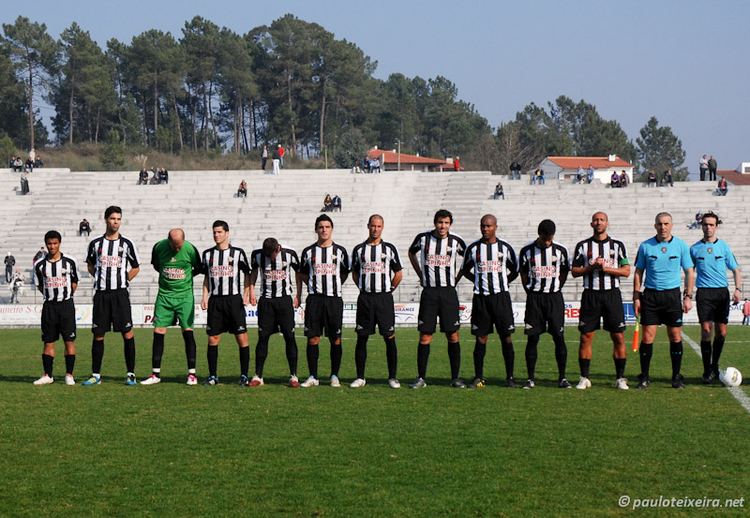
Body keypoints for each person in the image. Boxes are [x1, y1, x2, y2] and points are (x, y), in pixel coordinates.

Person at [633, 212, 695, 389]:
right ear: (655, 226)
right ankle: (644, 376)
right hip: (651, 296)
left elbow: (690, 272)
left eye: (666, 223)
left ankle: (676, 376)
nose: (663, 227)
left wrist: (688, 296)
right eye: (660, 224)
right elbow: (638, 272)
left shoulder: (681, 246)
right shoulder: (646, 246)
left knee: (675, 335)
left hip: (672, 296)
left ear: (672, 225)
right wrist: (636, 296)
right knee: (647, 337)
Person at [82, 206, 141, 386]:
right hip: (101, 295)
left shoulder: (127, 244)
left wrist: (124, 280)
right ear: (106, 219)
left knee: (127, 334)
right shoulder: (95, 244)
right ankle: (96, 375)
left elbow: (136, 267)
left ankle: (130, 374)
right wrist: (100, 278)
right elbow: (90, 265)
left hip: (120, 295)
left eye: (118, 219)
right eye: (113, 218)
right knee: (98, 335)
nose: (116, 222)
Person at [571, 212, 631, 390]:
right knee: (585, 337)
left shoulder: (618, 246)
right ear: (591, 224)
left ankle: (620, 378)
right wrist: (591, 267)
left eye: (602, 220)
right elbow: (574, 271)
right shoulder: (583, 246)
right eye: (596, 220)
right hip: (591, 295)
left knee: (618, 336)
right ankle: (584, 377)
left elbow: (626, 271)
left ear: (607, 223)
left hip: (612, 294)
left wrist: (607, 268)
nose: (599, 222)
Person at [408, 209, 467, 388]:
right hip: (430, 293)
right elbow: (411, 253)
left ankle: (455, 378)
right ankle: (421, 378)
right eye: (440, 222)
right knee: (425, 335)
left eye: (446, 223)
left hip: (448, 293)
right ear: (435, 223)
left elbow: (468, 259)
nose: (443, 226)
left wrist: (456, 279)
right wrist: (421, 274)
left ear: (450, 224)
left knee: (453, 335)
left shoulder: (456, 241)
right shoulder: (423, 238)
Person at [462, 214, 519, 388]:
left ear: (495, 227)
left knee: (506, 338)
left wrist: (502, 282)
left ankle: (510, 377)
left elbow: (514, 270)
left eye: (488, 226)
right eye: (483, 226)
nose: (485, 229)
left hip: (501, 298)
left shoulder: (505, 248)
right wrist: (479, 281)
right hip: (481, 299)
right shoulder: (473, 249)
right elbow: (465, 270)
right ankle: (479, 377)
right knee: (481, 339)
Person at [141, 229, 202, 385]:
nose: (177, 249)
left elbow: (198, 268)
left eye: (179, 246)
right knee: (158, 331)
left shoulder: (190, 249)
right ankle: (155, 375)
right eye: (174, 246)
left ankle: (192, 375)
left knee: (187, 331)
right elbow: (157, 265)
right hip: (164, 295)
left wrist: (184, 276)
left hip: (185, 296)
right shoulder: (158, 248)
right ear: (168, 241)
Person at [349, 215, 403, 388]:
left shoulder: (390, 249)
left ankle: (392, 377)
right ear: (368, 226)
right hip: (365, 299)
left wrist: (389, 289)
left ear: (382, 227)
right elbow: (355, 273)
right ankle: (360, 377)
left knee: (389, 338)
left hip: (384, 298)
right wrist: (363, 288)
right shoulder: (359, 249)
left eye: (378, 226)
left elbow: (398, 274)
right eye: (373, 226)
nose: (375, 229)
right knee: (362, 337)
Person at [297, 215, 350, 387]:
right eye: (321, 227)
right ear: (316, 229)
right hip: (314, 301)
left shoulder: (340, 251)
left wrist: (333, 286)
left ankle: (334, 375)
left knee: (335, 338)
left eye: (327, 227)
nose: (324, 230)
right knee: (313, 338)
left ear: (332, 229)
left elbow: (344, 273)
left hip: (334, 300)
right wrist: (315, 285)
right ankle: (313, 376)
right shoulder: (308, 252)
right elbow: (303, 274)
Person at [689, 212, 742, 383]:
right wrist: (687, 294)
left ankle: (715, 365)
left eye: (711, 225)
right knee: (706, 331)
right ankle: (707, 371)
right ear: (701, 226)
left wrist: (738, 289)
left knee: (722, 332)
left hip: (721, 293)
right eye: (705, 224)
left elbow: (736, 269)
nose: (708, 227)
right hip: (704, 293)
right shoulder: (694, 249)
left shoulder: (724, 247)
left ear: (716, 226)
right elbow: (690, 272)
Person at [518, 219, 571, 389]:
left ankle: (562, 378)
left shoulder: (560, 250)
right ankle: (530, 378)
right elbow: (524, 272)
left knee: (559, 337)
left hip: (554, 298)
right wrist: (530, 291)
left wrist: (556, 287)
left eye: (550, 239)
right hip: (535, 299)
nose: (548, 242)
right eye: (545, 238)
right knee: (533, 338)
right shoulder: (527, 251)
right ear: (539, 234)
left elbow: (564, 271)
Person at [200, 221, 251, 386]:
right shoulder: (207, 254)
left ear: (227, 233)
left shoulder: (238, 253)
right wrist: (204, 296)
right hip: (216, 301)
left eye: (220, 232)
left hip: (233, 300)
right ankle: (213, 376)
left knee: (241, 338)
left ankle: (244, 375)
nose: (216, 235)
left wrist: (246, 293)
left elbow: (247, 273)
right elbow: (207, 277)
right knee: (213, 339)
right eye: (214, 232)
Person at [249, 238, 301, 388]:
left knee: (289, 337)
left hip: (284, 301)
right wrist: (251, 291)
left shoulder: (289, 254)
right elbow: (253, 273)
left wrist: (298, 294)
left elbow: (298, 273)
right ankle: (258, 376)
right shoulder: (257, 255)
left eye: (271, 254)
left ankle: (293, 376)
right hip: (266, 302)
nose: (269, 257)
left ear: (277, 249)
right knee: (263, 337)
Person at [32, 230, 79, 385]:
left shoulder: (70, 262)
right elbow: (40, 285)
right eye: (49, 244)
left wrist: (65, 296)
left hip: (66, 306)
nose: (52, 246)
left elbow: (74, 283)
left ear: (59, 243)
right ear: (46, 245)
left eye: (55, 243)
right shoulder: (39, 265)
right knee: (48, 342)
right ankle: (48, 375)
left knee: (69, 341)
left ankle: (69, 375)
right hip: (49, 307)